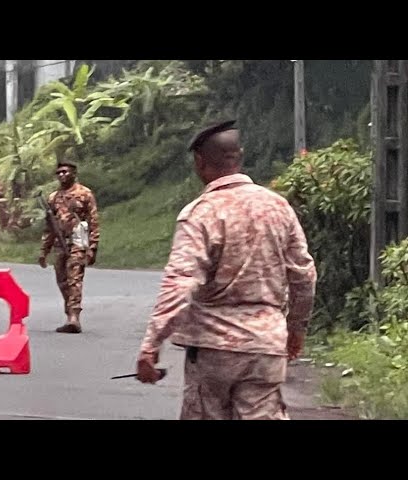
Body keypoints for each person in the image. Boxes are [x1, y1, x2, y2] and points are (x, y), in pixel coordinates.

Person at [135, 120, 317, 420]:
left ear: (199, 162)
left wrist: (151, 344)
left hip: (213, 350)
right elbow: (304, 274)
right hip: (266, 345)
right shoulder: (278, 207)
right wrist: (296, 329)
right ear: (239, 156)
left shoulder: (200, 213)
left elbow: (180, 283)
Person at [38, 160, 100, 333]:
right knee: (62, 280)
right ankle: (69, 313)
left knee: (74, 279)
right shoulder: (53, 198)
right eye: (59, 172)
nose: (62, 175)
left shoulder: (85, 194)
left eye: (65, 172)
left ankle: (74, 317)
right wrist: (44, 250)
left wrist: (93, 247)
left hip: (78, 242)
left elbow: (93, 222)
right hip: (60, 244)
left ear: (74, 173)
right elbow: (49, 227)